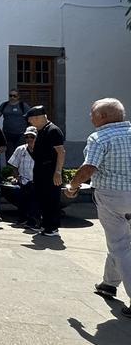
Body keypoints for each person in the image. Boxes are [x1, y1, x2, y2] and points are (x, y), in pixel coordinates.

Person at [67, 98, 131, 317]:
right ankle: (109, 283)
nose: (90, 117)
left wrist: (73, 187)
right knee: (122, 242)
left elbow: (88, 168)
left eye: (92, 113)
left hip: (113, 196)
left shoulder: (100, 137)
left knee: (120, 246)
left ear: (103, 117)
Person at [25, 105, 66, 237]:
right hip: (41, 170)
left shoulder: (53, 130)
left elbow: (61, 152)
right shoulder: (41, 130)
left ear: (38, 118)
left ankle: (52, 227)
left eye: (30, 119)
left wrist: (58, 172)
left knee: (51, 199)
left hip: (50, 171)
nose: (30, 122)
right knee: (42, 198)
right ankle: (45, 224)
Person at [5, 126, 39, 228]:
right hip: (23, 180)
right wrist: (17, 177)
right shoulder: (20, 149)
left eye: (32, 137)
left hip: (37, 181)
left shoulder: (42, 149)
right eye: (27, 137)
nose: (29, 139)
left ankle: (33, 222)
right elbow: (13, 165)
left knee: (35, 203)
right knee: (22, 202)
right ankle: (23, 219)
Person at [0, 90, 31, 154]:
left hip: (20, 133)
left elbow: (30, 115)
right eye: (10, 95)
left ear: (18, 97)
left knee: (20, 152)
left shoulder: (23, 105)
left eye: (14, 96)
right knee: (9, 153)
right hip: (7, 133)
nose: (12, 97)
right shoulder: (4, 105)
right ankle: (9, 164)